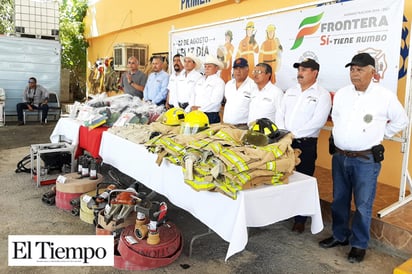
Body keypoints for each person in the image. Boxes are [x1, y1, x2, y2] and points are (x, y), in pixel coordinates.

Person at [319, 53, 408, 263]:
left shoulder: (384, 96)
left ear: (372, 72)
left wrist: (380, 135)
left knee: (362, 205)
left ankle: (359, 244)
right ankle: (340, 236)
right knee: (339, 200)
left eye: (359, 69)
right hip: (340, 157)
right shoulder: (342, 94)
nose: (354, 73)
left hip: (365, 160)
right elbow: (338, 119)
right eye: (352, 69)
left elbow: (401, 120)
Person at [275, 58, 331, 233]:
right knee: (284, 177)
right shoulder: (291, 91)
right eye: (299, 69)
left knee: (303, 181)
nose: (300, 72)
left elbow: (318, 121)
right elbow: (280, 112)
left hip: (305, 144)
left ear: (315, 73)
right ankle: (283, 211)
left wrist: (294, 134)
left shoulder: (322, 95)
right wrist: (284, 132)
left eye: (304, 70)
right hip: (285, 141)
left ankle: (300, 219)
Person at [189, 54, 225, 124]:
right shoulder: (200, 80)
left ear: (216, 68)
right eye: (205, 66)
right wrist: (192, 106)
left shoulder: (219, 82)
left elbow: (215, 102)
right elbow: (193, 94)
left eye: (209, 66)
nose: (206, 68)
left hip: (210, 115)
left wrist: (199, 109)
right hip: (196, 114)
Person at [223, 57, 256, 127]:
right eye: (235, 68)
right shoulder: (228, 84)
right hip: (226, 125)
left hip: (243, 126)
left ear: (247, 69)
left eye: (241, 68)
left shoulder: (253, 85)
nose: (238, 71)